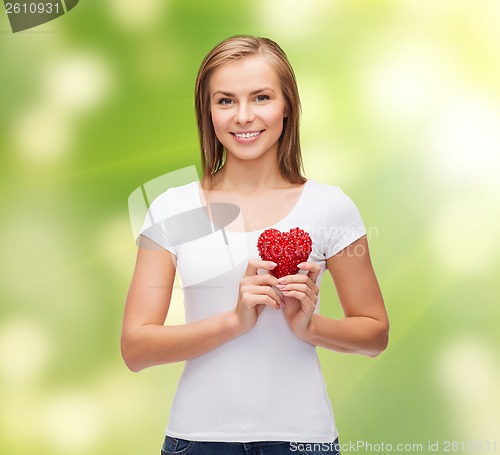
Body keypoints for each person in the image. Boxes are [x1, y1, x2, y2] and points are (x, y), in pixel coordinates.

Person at [121, 35, 389, 455]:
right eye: (225, 101)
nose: (243, 116)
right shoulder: (171, 208)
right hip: (198, 441)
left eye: (261, 97)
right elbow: (135, 349)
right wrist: (234, 321)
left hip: (303, 441)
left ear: (287, 106)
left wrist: (309, 326)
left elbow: (375, 334)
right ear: (207, 112)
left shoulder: (330, 207)